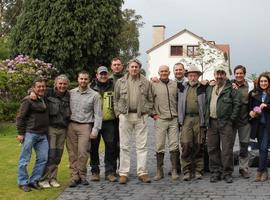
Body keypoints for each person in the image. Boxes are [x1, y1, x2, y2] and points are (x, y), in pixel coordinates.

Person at [114, 59, 153, 184]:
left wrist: (147, 112)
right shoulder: (120, 82)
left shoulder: (146, 82)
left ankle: (142, 172)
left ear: (139, 68)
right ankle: (123, 173)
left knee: (142, 146)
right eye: (132, 67)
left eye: (136, 67)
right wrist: (118, 113)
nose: (134, 69)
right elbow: (116, 99)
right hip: (125, 116)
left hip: (140, 116)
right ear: (128, 68)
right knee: (124, 145)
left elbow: (150, 99)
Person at [205, 64, 241, 183]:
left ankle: (227, 172)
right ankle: (216, 172)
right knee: (212, 148)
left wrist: (231, 119)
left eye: (222, 74)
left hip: (226, 123)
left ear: (225, 75)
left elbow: (237, 105)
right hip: (212, 122)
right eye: (217, 74)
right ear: (214, 75)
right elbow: (206, 103)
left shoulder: (231, 88)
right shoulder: (210, 88)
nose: (219, 76)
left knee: (227, 149)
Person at [66, 70, 102, 187]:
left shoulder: (95, 95)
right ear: (78, 79)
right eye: (81, 79)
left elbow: (98, 114)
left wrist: (95, 130)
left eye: (85, 79)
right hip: (71, 125)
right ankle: (74, 176)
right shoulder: (71, 93)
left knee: (83, 152)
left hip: (85, 126)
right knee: (72, 153)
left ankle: (82, 175)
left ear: (89, 80)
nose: (83, 81)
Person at [36, 75, 70, 188]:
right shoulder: (48, 93)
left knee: (58, 155)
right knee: (50, 154)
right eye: (60, 83)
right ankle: (43, 179)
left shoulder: (69, 95)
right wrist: (32, 93)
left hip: (63, 129)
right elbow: (37, 91)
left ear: (67, 85)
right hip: (51, 128)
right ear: (56, 84)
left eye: (64, 84)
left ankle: (53, 178)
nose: (62, 86)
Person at [16, 78, 49, 192]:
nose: (41, 88)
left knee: (43, 159)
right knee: (24, 159)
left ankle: (33, 181)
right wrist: (20, 133)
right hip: (30, 133)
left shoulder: (43, 98)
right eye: (38, 86)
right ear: (34, 88)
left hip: (43, 135)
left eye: (43, 86)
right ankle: (22, 182)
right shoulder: (28, 100)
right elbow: (20, 117)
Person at [178, 66, 207, 181]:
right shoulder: (181, 87)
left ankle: (198, 170)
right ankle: (186, 170)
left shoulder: (204, 87)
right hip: (186, 119)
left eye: (195, 75)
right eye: (190, 75)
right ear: (187, 76)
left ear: (198, 76)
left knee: (199, 145)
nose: (192, 77)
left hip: (199, 119)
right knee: (185, 145)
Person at [151, 65, 179, 181]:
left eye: (166, 71)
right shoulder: (154, 84)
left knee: (174, 145)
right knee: (159, 145)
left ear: (169, 72)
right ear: (159, 72)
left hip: (173, 119)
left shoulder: (174, 84)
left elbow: (179, 99)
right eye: (161, 71)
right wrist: (153, 114)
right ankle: (159, 170)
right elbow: (149, 99)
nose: (164, 73)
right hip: (160, 119)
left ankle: (174, 170)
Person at [89, 66, 117, 182]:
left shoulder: (114, 85)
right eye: (101, 74)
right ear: (97, 75)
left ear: (108, 74)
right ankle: (95, 171)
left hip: (109, 121)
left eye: (105, 74)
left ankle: (110, 172)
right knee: (93, 147)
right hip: (94, 121)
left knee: (111, 146)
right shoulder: (91, 87)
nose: (103, 76)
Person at [231, 65, 252, 179]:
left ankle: (243, 168)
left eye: (241, 73)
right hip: (232, 121)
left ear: (244, 74)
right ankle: (228, 169)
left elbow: (254, 102)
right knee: (229, 146)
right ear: (234, 74)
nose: (239, 75)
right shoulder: (229, 85)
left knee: (244, 145)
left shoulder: (250, 86)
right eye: (237, 73)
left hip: (245, 121)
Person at [249, 73, 270, 182]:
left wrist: (266, 105)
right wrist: (251, 112)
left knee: (263, 148)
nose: (263, 83)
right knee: (263, 148)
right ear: (258, 82)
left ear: (268, 82)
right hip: (258, 126)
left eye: (265, 81)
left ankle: (260, 170)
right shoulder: (254, 93)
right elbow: (250, 107)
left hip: (268, 125)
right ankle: (265, 172)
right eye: (261, 81)